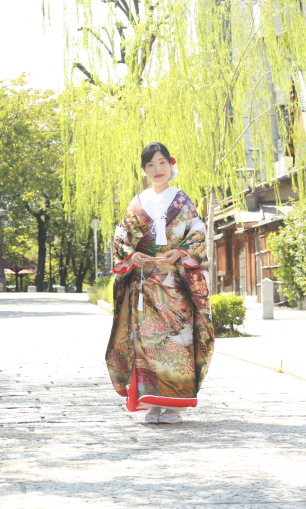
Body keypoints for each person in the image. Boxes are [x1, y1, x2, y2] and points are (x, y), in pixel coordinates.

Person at [104, 142, 214, 424]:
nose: (157, 170)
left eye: (162, 162)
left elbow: (198, 233)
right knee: (146, 342)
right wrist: (133, 255)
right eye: (150, 165)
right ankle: (150, 402)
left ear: (171, 164)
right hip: (145, 285)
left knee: (176, 341)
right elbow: (121, 238)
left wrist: (182, 251)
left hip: (176, 284)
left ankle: (175, 405)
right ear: (144, 170)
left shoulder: (182, 201)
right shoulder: (136, 203)